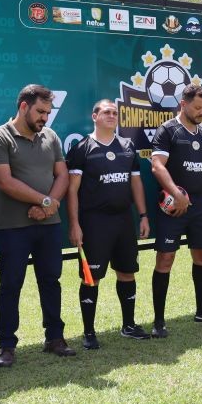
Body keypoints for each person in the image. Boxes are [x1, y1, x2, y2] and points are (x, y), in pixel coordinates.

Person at [0, 84, 73, 364]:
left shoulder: (51, 136)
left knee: (51, 281)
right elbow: (5, 182)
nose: (44, 118)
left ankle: (55, 338)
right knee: (11, 284)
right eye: (40, 112)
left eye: (47, 113)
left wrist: (47, 207)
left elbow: (62, 175)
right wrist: (45, 202)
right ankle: (7, 346)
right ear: (23, 106)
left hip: (49, 225)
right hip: (13, 227)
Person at [64, 99, 152, 348]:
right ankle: (89, 332)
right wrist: (74, 224)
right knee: (92, 278)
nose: (111, 116)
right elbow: (72, 191)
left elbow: (136, 183)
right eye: (106, 112)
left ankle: (129, 325)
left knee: (127, 271)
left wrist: (143, 215)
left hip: (124, 220)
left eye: (114, 113)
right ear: (94, 116)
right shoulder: (82, 147)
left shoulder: (127, 145)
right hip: (94, 222)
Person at [148, 84, 202, 335]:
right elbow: (157, 166)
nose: (201, 112)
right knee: (165, 259)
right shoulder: (168, 130)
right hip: (173, 207)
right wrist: (176, 194)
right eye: (197, 108)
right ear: (183, 104)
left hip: (200, 206)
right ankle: (158, 322)